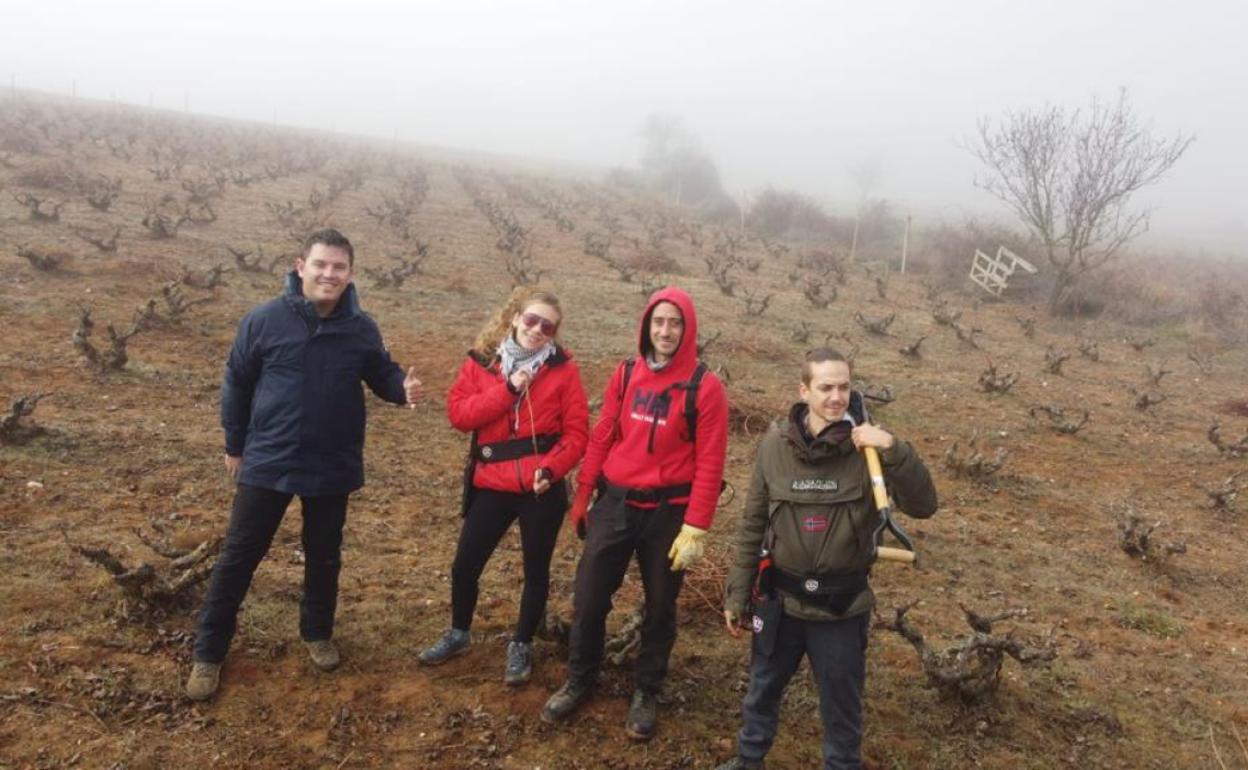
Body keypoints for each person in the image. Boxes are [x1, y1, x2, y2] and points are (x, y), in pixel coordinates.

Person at [184, 228, 423, 701]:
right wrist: (236, 445)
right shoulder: (264, 320)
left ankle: (317, 633)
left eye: (339, 267)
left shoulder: (361, 327)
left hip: (331, 462)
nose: (329, 274)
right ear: (301, 266)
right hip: (269, 457)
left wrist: (402, 388)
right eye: (321, 264)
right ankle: (208, 653)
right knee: (239, 557)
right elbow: (237, 381)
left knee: (324, 555)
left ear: (350, 273)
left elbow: (380, 373)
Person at [716, 348, 938, 770]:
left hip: (842, 609)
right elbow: (752, 524)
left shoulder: (869, 451)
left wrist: (894, 448)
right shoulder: (774, 447)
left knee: (842, 708)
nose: (837, 397)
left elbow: (924, 505)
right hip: (780, 602)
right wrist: (737, 592)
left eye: (844, 387)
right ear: (804, 390)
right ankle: (748, 761)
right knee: (761, 690)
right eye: (825, 388)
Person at [542, 286, 729, 741]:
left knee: (661, 607)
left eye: (675, 323)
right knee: (588, 599)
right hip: (617, 502)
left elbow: (711, 460)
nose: (665, 331)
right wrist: (584, 495)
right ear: (647, 325)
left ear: (688, 330)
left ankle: (647, 690)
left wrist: (697, 526)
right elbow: (603, 434)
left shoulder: (706, 388)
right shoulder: (626, 374)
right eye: (658, 322)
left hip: (669, 512)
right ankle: (580, 678)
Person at [418, 287, 588, 685]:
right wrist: (508, 388)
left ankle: (522, 644)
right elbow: (460, 415)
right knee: (465, 566)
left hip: (539, 488)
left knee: (536, 571)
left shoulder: (564, 369)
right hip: (491, 483)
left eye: (548, 326)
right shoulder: (481, 363)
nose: (537, 330)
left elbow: (577, 433)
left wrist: (551, 468)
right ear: (514, 318)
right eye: (531, 320)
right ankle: (459, 632)